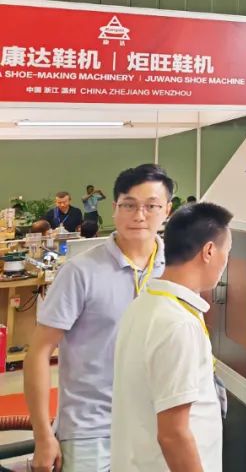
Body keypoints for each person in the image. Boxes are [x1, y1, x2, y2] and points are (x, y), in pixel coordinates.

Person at [26, 164, 173, 472]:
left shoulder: (175, 270)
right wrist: (42, 436)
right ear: (115, 208)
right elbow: (39, 351)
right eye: (129, 205)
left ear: (167, 210)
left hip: (158, 425)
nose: (139, 215)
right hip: (90, 431)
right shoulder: (80, 272)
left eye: (151, 206)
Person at [111, 203, 232, 471]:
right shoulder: (178, 324)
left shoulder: (146, 304)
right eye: (227, 253)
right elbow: (173, 435)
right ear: (209, 251)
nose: (226, 263)